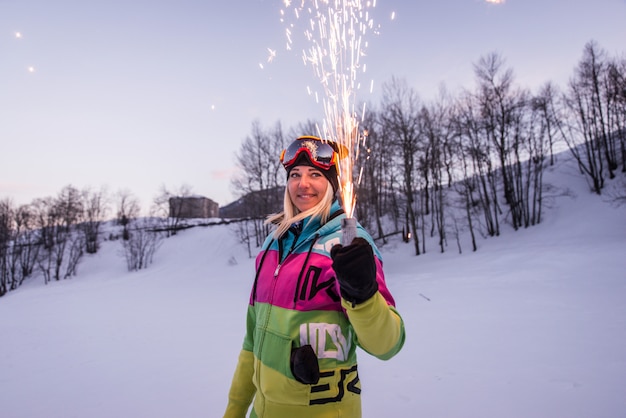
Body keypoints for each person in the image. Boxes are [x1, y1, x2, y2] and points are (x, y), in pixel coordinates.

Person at [223, 135, 406, 418]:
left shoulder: (350, 246)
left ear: (331, 184)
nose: (302, 183)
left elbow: (387, 345)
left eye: (315, 174)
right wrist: (235, 410)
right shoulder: (272, 245)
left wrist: (363, 294)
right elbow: (251, 342)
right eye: (294, 174)